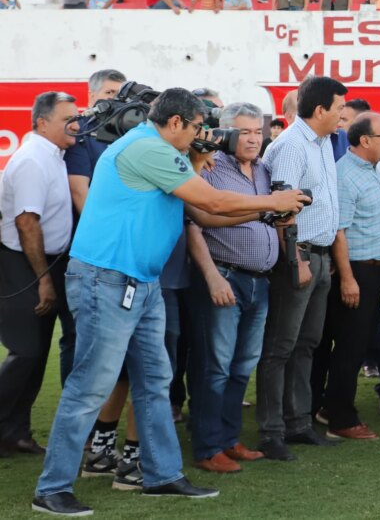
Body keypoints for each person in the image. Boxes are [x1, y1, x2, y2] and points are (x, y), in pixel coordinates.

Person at [34, 89, 309, 516]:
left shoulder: (161, 147)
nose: (207, 136)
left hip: (139, 280)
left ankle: (161, 475)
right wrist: (272, 201)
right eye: (199, 127)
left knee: (155, 381)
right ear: (177, 122)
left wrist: (264, 214)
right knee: (91, 384)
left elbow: (204, 216)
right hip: (109, 278)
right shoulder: (148, 148)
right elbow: (212, 201)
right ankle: (51, 488)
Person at [184, 103, 279, 474]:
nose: (254, 139)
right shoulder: (208, 166)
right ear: (224, 133)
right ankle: (207, 447)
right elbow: (193, 224)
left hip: (260, 281)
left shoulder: (264, 170)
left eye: (259, 131)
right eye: (246, 132)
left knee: (241, 366)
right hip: (224, 276)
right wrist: (211, 275)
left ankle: (228, 439)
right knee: (215, 366)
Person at [258, 77, 348, 461]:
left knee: (306, 345)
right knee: (281, 346)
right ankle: (271, 431)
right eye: (340, 109)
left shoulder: (323, 142)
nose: (344, 116)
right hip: (299, 256)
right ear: (320, 110)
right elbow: (281, 209)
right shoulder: (293, 146)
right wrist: (296, 258)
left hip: (321, 254)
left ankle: (298, 423)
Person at [0, 93, 77, 458]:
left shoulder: (52, 155)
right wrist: (44, 279)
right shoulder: (33, 159)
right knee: (26, 351)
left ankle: (15, 435)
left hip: (44, 261)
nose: (75, 124)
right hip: (24, 263)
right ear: (42, 123)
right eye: (67, 119)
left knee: (36, 353)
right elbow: (26, 222)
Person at [314, 112, 380, 442]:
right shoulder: (346, 175)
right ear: (365, 141)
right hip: (357, 270)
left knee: (351, 343)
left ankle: (325, 407)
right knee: (350, 346)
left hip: (373, 269)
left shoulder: (371, 170)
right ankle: (341, 418)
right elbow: (339, 231)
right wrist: (348, 279)